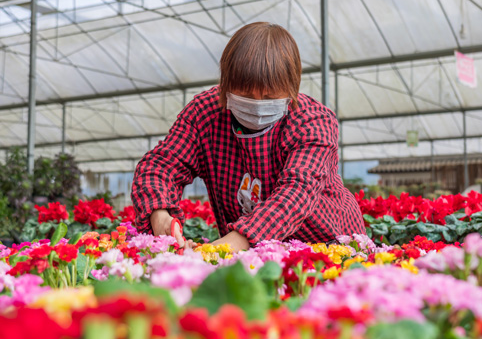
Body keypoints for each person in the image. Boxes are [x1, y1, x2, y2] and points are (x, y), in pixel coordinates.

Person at [131, 22, 365, 251]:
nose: (256, 103)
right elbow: (162, 165)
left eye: (269, 96)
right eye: (244, 94)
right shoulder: (205, 114)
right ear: (225, 88)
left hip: (329, 245)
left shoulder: (313, 121)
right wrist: (160, 214)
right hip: (246, 249)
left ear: (291, 92)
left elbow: (295, 195)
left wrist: (216, 251)